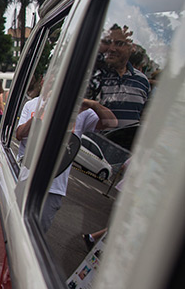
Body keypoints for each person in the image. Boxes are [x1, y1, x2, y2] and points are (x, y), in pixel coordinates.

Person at [16, 95, 117, 232]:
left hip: (53, 187)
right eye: (51, 78)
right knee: (14, 226)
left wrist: (92, 104)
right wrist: (39, 115)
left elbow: (111, 123)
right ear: (43, 81)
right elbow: (19, 134)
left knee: (34, 234)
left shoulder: (80, 110)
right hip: (24, 178)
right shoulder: (33, 104)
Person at [88, 24, 150, 127]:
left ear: (131, 48)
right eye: (108, 42)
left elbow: (145, 120)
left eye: (119, 43)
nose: (111, 48)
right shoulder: (93, 77)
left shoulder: (142, 80)